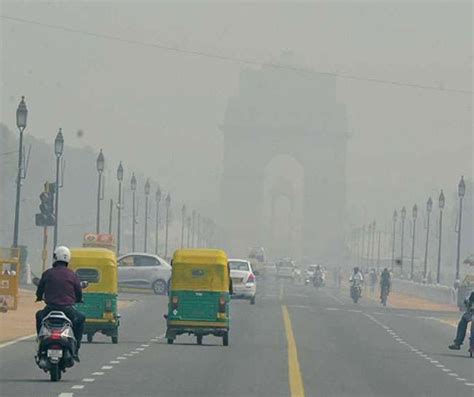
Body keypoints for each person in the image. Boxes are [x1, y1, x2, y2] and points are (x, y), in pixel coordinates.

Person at [35, 246, 85, 360]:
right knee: (81, 318)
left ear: (55, 257)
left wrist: (38, 297)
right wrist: (79, 299)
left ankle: (40, 339)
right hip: (68, 310)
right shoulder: (72, 275)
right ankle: (76, 347)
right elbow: (78, 291)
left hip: (50, 308)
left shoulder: (48, 273)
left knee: (39, 316)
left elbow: (40, 289)